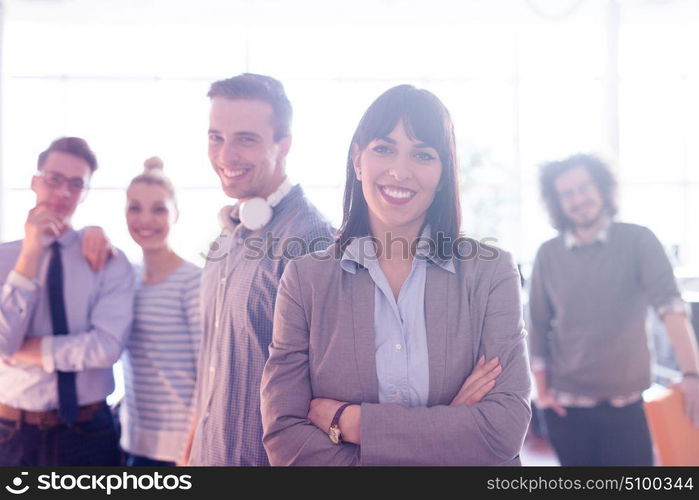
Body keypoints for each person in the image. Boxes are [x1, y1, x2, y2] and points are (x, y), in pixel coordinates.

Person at [260, 85, 531, 466]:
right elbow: (286, 439)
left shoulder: (491, 272)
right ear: (357, 160)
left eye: (422, 154)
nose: (400, 171)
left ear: (442, 173)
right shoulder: (305, 280)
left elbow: (503, 430)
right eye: (384, 149)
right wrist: (451, 424)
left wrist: (352, 423)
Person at [181, 73, 334, 466]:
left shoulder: (312, 240)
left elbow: (328, 394)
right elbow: (212, 372)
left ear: (284, 145)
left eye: (245, 139)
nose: (225, 155)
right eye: (216, 137)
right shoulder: (226, 238)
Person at [527, 153, 699, 466]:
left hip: (628, 407)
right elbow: (537, 324)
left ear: (601, 188)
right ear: (557, 202)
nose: (578, 199)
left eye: (584, 187)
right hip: (566, 408)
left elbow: (671, 308)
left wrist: (692, 374)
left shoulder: (639, 240)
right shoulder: (548, 254)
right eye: (567, 193)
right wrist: (542, 393)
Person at [0, 137, 134, 466]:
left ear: (85, 192)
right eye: (54, 179)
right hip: (12, 433)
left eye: (76, 184)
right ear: (35, 181)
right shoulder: (4, 259)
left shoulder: (108, 259)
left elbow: (106, 348)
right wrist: (31, 254)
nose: (63, 192)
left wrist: (31, 350)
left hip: (89, 433)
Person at [117, 157, 201, 466]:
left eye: (159, 209)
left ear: (176, 214)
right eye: (135, 208)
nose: (145, 220)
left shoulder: (193, 282)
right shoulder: (126, 278)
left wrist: (189, 453)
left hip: (177, 451)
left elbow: (208, 376)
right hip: (132, 442)